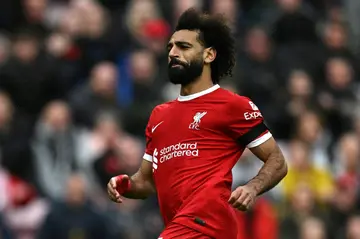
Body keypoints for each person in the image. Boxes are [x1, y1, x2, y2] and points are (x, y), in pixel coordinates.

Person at [107, 8, 288, 239]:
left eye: (183, 47)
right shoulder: (159, 115)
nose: (172, 52)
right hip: (179, 228)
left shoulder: (232, 105)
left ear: (209, 55)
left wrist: (252, 187)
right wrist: (124, 184)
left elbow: (278, 161)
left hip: (208, 226)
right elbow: (147, 182)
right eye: (170, 46)